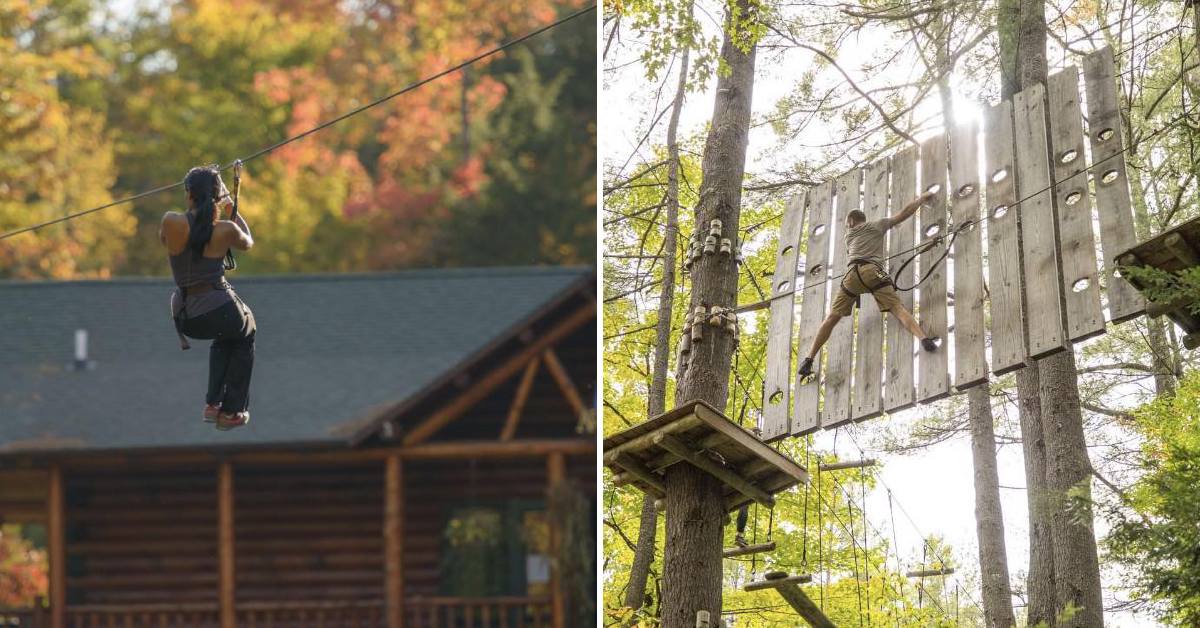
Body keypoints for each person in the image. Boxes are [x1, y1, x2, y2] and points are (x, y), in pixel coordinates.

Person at [797, 190, 939, 380]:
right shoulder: (878, 225)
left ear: (851, 222)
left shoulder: (849, 236)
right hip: (873, 271)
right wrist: (922, 199)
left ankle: (808, 359)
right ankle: (924, 339)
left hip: (851, 276)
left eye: (848, 223)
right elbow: (904, 213)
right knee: (897, 308)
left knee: (832, 317)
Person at [160, 165, 256, 430]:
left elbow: (163, 240)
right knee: (244, 333)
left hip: (187, 318)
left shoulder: (171, 221)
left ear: (189, 193)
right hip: (220, 308)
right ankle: (232, 410)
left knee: (226, 337)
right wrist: (228, 204)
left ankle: (213, 404)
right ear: (215, 197)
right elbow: (248, 241)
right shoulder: (225, 230)